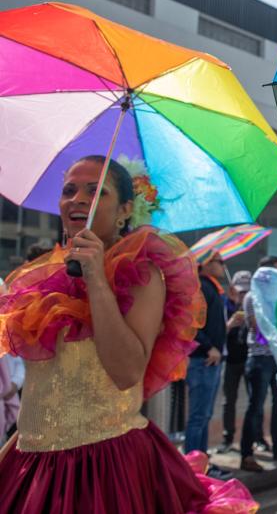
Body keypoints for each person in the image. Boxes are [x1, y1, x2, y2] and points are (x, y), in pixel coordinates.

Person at [0, 155, 256, 512]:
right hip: (32, 463)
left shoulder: (142, 274)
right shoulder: (44, 278)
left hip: (105, 469)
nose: (77, 199)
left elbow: (126, 372)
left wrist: (96, 280)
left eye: (95, 191)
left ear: (124, 210)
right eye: (69, 190)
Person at [239, 257, 277, 470]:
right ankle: (246, 454)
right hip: (259, 358)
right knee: (255, 406)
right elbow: (258, 328)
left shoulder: (275, 295)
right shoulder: (253, 296)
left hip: (276, 357)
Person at [185, 250, 228, 457]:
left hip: (211, 360)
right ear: (207, 263)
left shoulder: (213, 287)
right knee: (198, 416)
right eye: (220, 262)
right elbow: (191, 324)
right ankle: (194, 466)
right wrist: (208, 346)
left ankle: (201, 461)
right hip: (203, 359)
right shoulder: (201, 287)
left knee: (205, 415)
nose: (223, 266)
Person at [219, 270, 251, 453]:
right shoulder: (225, 307)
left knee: (254, 401)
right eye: (241, 292)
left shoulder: (254, 305)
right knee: (228, 400)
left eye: (247, 292)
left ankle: (257, 438)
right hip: (231, 360)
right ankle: (227, 437)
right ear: (232, 291)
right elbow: (217, 334)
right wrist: (230, 325)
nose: (244, 296)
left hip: (249, 359)